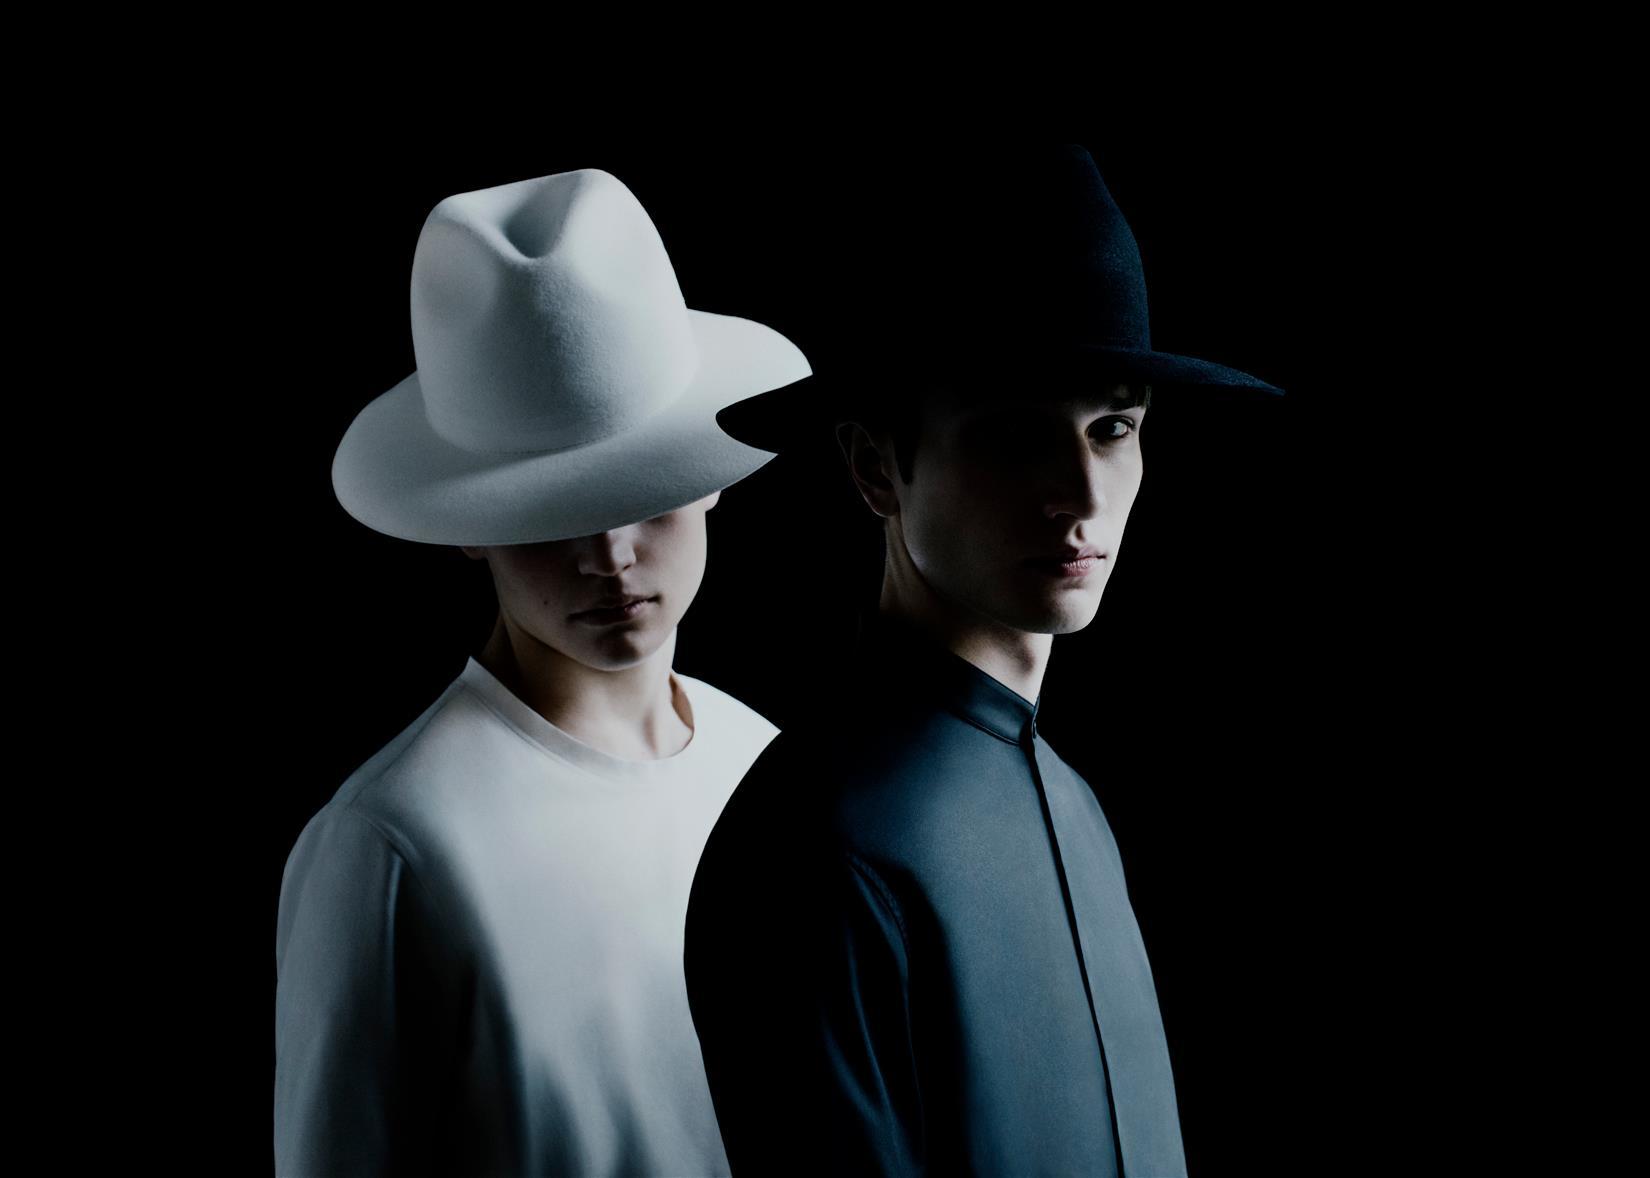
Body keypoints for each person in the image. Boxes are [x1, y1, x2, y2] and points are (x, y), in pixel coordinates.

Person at [684, 144, 1283, 1176]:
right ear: (875, 467)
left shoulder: (1073, 804)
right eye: (1014, 436)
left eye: (1112, 426)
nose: (1083, 494)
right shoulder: (817, 849)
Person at [273, 166, 809, 1175]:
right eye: (552, 510)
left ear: (710, 480)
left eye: (645, 490)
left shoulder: (769, 769)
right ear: (467, 526)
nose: (610, 554)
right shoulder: (393, 843)